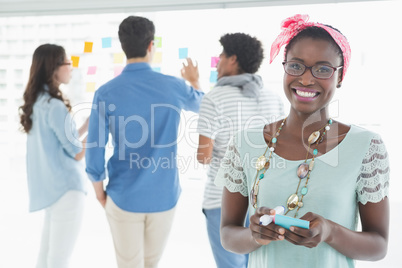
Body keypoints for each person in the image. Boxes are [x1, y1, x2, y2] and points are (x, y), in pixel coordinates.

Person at [215, 14, 389, 267]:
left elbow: (379, 246)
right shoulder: (245, 142)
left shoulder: (366, 146)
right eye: (296, 65)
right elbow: (228, 235)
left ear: (340, 77)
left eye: (322, 69)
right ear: (284, 67)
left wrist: (330, 231)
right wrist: (255, 235)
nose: (306, 79)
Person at [85, 15, 203, 268]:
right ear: (151, 46)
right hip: (164, 196)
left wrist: (99, 193)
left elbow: (94, 148)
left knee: (129, 264)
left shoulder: (106, 92)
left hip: (123, 194)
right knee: (151, 264)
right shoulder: (175, 87)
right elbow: (205, 105)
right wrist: (193, 81)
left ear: (123, 47)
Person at [196, 32, 284, 267]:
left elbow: (203, 156)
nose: (218, 63)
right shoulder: (273, 98)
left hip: (222, 202)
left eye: (221, 56)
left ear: (233, 59)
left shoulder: (214, 98)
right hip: (265, 201)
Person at [19, 44, 88, 268]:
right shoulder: (56, 106)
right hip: (67, 190)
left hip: (52, 191)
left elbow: (60, 143)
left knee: (46, 257)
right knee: (58, 260)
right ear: (54, 68)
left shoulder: (38, 103)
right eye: (68, 63)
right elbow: (77, 152)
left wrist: (86, 126)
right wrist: (97, 132)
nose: (71, 68)